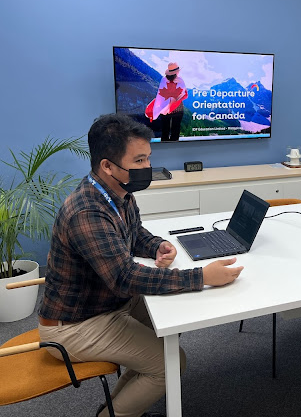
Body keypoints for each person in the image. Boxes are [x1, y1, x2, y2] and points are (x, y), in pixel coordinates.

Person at [38, 113, 244, 417]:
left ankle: (120, 405)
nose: (147, 167)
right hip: (74, 325)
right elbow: (124, 277)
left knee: (173, 321)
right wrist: (201, 276)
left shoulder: (117, 192)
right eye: (139, 160)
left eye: (148, 158)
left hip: (107, 303)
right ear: (107, 165)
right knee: (170, 364)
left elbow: (134, 233)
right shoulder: (87, 212)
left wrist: (156, 245)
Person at [153, 62, 187, 141]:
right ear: (176, 72)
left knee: (165, 130)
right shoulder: (180, 80)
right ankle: (174, 146)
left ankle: (164, 146)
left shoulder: (163, 80)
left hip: (164, 107)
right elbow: (184, 94)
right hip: (177, 108)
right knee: (176, 129)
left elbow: (160, 95)